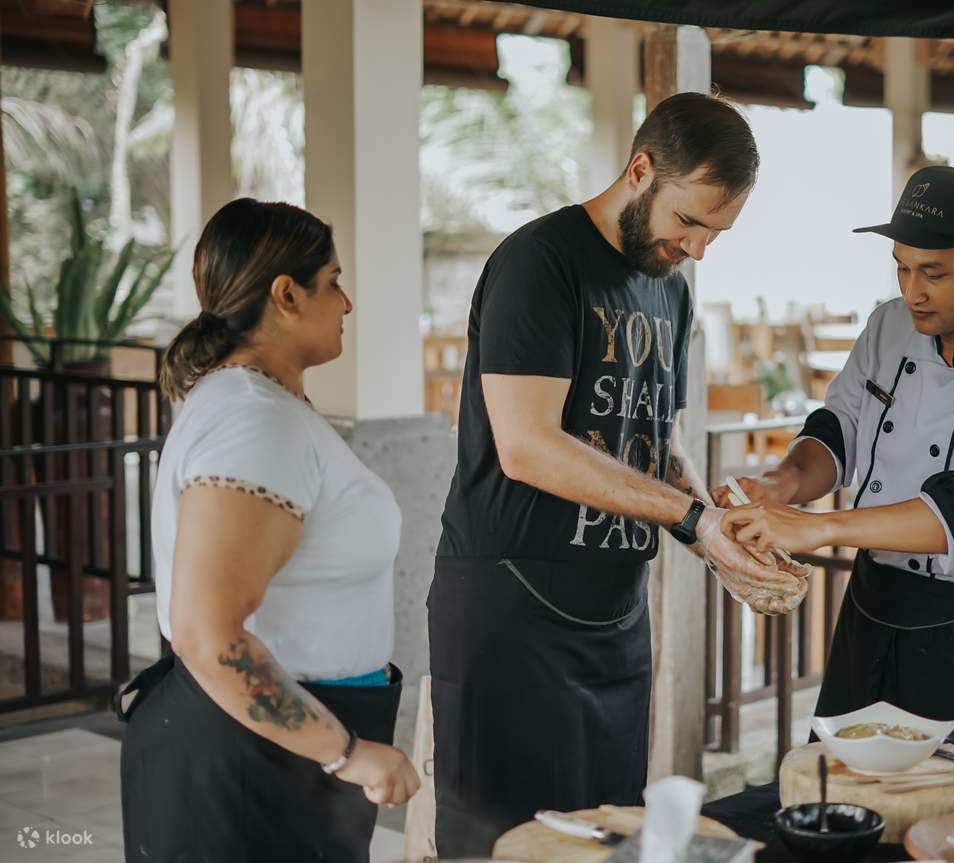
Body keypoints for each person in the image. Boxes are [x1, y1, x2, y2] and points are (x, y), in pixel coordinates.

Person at [429, 92, 807, 855]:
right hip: (511, 608)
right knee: (506, 847)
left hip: (614, 615)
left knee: (609, 839)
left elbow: (655, 437)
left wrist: (716, 535)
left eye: (716, 232)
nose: (697, 247)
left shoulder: (670, 285)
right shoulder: (540, 262)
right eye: (688, 221)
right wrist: (689, 518)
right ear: (640, 171)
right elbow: (526, 445)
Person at [718, 166, 954, 724]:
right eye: (902, 268)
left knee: (953, 778)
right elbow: (839, 429)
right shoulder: (888, 326)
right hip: (872, 599)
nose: (912, 292)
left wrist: (819, 528)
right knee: (836, 773)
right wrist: (779, 485)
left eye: (933, 273)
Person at [118, 198, 420, 863]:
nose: (346, 303)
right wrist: (345, 753)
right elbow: (208, 633)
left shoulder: (254, 404)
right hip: (255, 758)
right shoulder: (254, 420)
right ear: (286, 295)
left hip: (273, 748)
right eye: (333, 282)